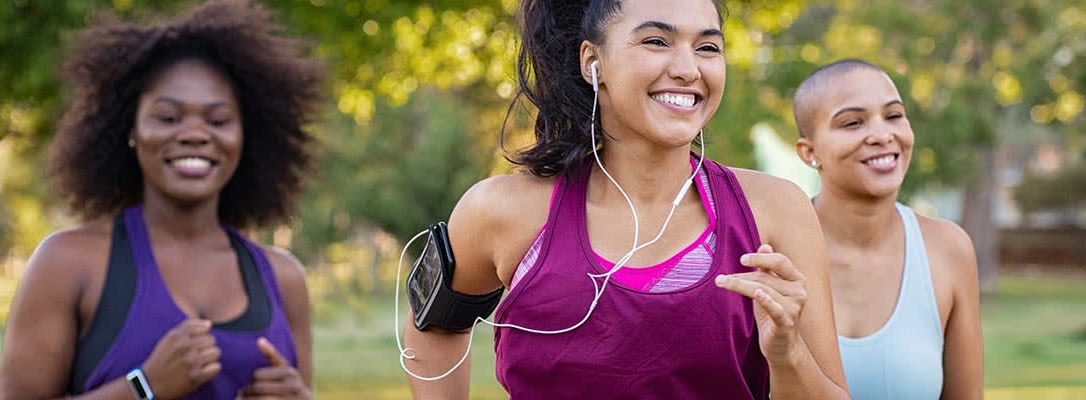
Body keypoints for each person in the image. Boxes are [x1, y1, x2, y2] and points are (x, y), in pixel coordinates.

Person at [402, 0, 850, 398]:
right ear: (591, 61)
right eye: (657, 41)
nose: (688, 68)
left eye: (708, 47)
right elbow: (433, 329)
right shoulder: (502, 211)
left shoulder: (775, 211)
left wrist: (789, 355)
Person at [0, 0, 321, 398]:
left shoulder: (283, 278)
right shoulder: (67, 263)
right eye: (168, 117)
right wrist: (143, 387)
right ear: (129, 131)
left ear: (245, 136)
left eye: (218, 121)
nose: (195, 134)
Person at [792, 59, 984, 399]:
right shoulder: (769, 248)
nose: (882, 135)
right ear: (809, 152)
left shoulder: (949, 249)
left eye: (894, 116)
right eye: (852, 123)